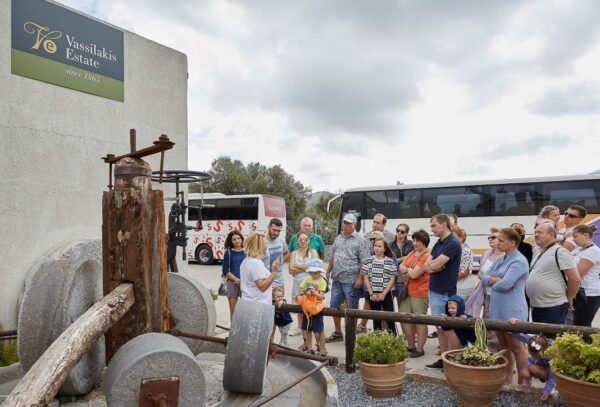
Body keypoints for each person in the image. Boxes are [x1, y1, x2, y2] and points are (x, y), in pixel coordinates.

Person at [480, 227, 529, 386]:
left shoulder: (519, 260)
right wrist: (496, 280)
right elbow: (484, 275)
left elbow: (504, 285)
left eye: (501, 240)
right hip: (498, 308)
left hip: (512, 310)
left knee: (517, 347)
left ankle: (524, 382)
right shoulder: (502, 258)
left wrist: (496, 280)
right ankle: (507, 379)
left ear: (512, 243)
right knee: (504, 346)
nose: (497, 243)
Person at [422, 214, 462, 370]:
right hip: (435, 290)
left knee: (449, 329)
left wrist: (433, 266)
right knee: (440, 328)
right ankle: (444, 360)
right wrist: (433, 266)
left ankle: (453, 361)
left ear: (444, 225)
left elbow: (434, 264)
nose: (431, 229)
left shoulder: (452, 243)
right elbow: (428, 265)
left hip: (445, 292)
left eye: (433, 226)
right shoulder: (439, 242)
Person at [325, 213, 370, 343]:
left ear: (354, 225)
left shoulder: (360, 240)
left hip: (351, 280)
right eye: (344, 222)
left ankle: (351, 335)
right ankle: (338, 333)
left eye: (348, 223)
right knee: (334, 306)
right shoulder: (338, 237)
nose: (345, 225)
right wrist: (328, 271)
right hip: (337, 279)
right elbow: (333, 256)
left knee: (352, 308)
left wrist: (360, 279)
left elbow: (364, 262)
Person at [525, 222, 580, 324]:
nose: (536, 235)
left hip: (554, 307)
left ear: (551, 235)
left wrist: (569, 298)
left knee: (551, 339)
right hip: (537, 306)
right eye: (535, 232)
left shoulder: (560, 252)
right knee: (541, 339)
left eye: (540, 232)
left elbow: (575, 279)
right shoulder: (538, 252)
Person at [398, 229, 431, 358]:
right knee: (404, 317)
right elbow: (402, 268)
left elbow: (415, 274)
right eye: (415, 240)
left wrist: (406, 269)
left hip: (420, 293)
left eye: (418, 241)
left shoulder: (427, 256)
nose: (415, 243)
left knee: (419, 320)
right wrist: (408, 270)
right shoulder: (412, 253)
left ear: (424, 242)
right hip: (408, 291)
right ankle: (411, 345)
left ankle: (420, 348)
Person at [362, 237, 397, 335]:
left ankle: (393, 340)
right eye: (375, 246)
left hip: (386, 294)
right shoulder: (369, 261)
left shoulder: (390, 261)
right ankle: (377, 339)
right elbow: (366, 278)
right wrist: (371, 293)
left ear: (384, 249)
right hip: (373, 294)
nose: (376, 248)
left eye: (379, 246)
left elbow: (392, 279)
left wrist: (384, 293)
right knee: (376, 319)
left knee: (390, 318)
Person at [288, 231, 319, 336]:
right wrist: (306, 267)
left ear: (308, 240)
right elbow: (290, 270)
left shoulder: (313, 252)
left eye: (305, 239)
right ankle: (299, 327)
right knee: (298, 306)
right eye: (300, 239)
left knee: (310, 305)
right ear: (297, 241)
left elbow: (314, 267)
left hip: (310, 284)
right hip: (297, 284)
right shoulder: (294, 253)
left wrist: (297, 265)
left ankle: (309, 327)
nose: (302, 241)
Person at [571, 224, 600, 326]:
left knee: (581, 326)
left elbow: (578, 273)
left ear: (586, 235)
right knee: (579, 325)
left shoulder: (593, 251)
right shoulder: (578, 250)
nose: (573, 240)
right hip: (580, 293)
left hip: (589, 294)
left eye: (575, 237)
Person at [298, 259, 328, 355]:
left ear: (320, 271)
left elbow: (322, 296)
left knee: (320, 330)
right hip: (307, 307)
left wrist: (314, 293)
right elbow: (301, 291)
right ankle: (310, 348)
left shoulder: (322, 281)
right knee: (308, 329)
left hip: (316, 309)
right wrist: (305, 291)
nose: (313, 274)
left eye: (316, 272)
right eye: (312, 272)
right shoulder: (307, 279)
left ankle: (322, 349)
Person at [241, 233, 280, 305]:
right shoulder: (255, 263)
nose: (267, 246)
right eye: (265, 243)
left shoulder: (246, 260)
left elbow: (252, 283)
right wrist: (275, 271)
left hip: (249, 303)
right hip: (258, 305)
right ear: (258, 246)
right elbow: (262, 286)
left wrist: (270, 286)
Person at [222, 230, 246, 319]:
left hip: (245, 283)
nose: (237, 241)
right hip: (232, 283)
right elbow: (225, 271)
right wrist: (236, 280)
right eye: (234, 239)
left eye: (238, 238)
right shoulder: (228, 253)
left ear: (242, 239)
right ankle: (234, 331)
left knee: (245, 309)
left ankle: (243, 329)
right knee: (233, 311)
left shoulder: (247, 252)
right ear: (231, 241)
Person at [262, 218, 289, 293]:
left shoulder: (281, 242)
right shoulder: (261, 242)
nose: (276, 233)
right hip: (266, 280)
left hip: (279, 280)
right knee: (268, 304)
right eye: (274, 230)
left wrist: (280, 262)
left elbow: (286, 253)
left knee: (280, 303)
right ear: (268, 227)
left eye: (279, 231)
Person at [454, 227, 477, 302]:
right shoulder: (451, 250)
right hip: (452, 285)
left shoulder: (466, 251)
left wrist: (449, 279)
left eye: (453, 236)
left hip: (460, 286)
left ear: (461, 238)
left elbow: (465, 272)